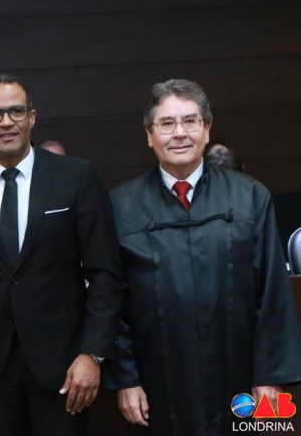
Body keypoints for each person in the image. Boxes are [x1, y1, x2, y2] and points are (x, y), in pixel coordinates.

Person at [107, 79, 301, 435]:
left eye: (190, 121)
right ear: (149, 134)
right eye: (167, 123)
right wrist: (126, 378)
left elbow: (272, 292)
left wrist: (270, 375)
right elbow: (111, 299)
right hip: (157, 382)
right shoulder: (121, 206)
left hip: (239, 377)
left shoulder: (249, 197)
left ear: (207, 129)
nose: (179, 133)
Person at [0, 74, 123, 435]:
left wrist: (92, 353)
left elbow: (105, 274)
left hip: (64, 369)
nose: (6, 122)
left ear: (32, 117)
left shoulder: (76, 176)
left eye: (16, 111)